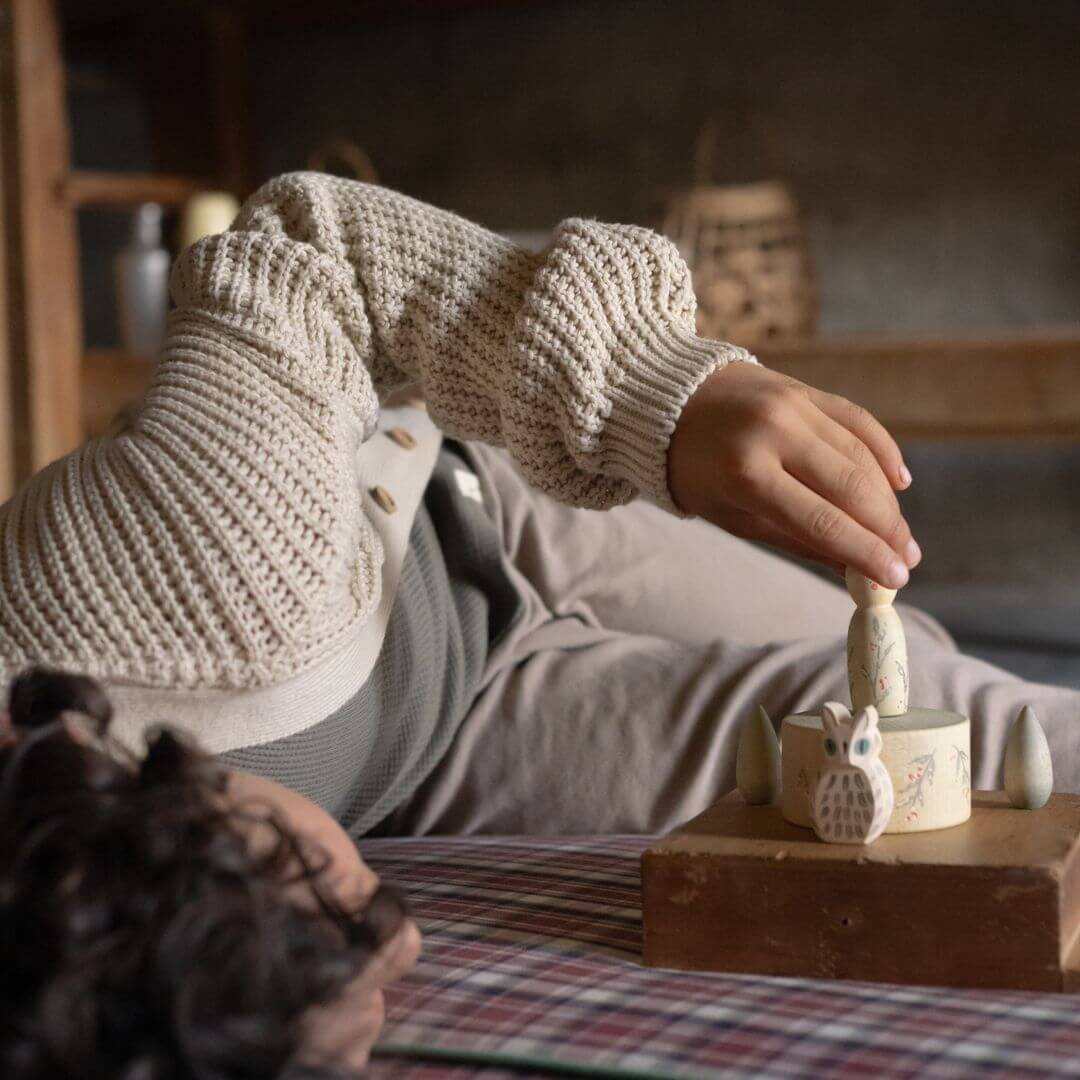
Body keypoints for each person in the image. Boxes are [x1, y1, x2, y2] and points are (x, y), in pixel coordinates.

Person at [2, 172, 1078, 1072]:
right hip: (448, 743)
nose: (400, 938)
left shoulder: (181, 563)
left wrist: (659, 395)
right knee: (925, 749)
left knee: (909, 654)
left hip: (493, 518)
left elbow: (309, 247)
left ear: (139, 809)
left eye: (304, 905)